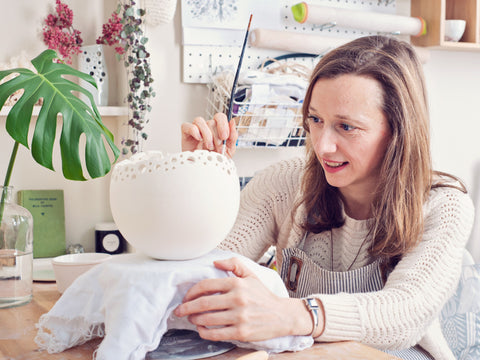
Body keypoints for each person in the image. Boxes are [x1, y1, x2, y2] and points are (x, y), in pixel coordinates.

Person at [175, 35, 474, 360]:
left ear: (397, 132)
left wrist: (289, 314)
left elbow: (403, 314)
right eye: (316, 120)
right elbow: (205, 275)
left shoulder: (445, 206)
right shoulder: (284, 183)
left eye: (346, 127)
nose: (323, 146)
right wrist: (202, 181)